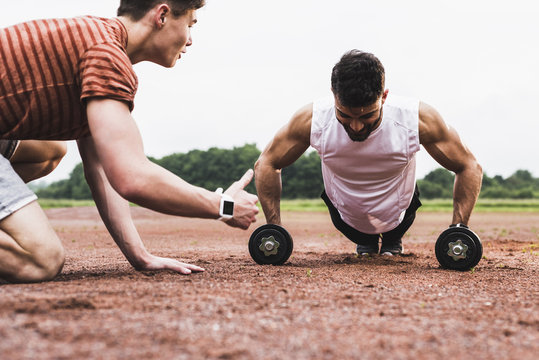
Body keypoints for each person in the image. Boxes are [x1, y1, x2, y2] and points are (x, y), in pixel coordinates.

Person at [0, 0, 260, 283]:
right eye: (189, 25)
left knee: (49, 151)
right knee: (40, 258)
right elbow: (132, 177)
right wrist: (224, 205)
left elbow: (100, 169)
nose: (190, 40)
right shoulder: (106, 55)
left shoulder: (97, 39)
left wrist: (139, 255)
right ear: (161, 15)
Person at [255, 50, 482, 257]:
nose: (355, 127)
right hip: (344, 215)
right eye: (344, 115)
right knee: (363, 240)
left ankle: (392, 240)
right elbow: (267, 162)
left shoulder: (416, 119)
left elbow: (468, 166)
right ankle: (365, 241)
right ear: (333, 96)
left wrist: (458, 230)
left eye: (366, 116)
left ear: (384, 97)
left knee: (397, 222)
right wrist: (274, 227)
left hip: (400, 213)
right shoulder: (312, 120)